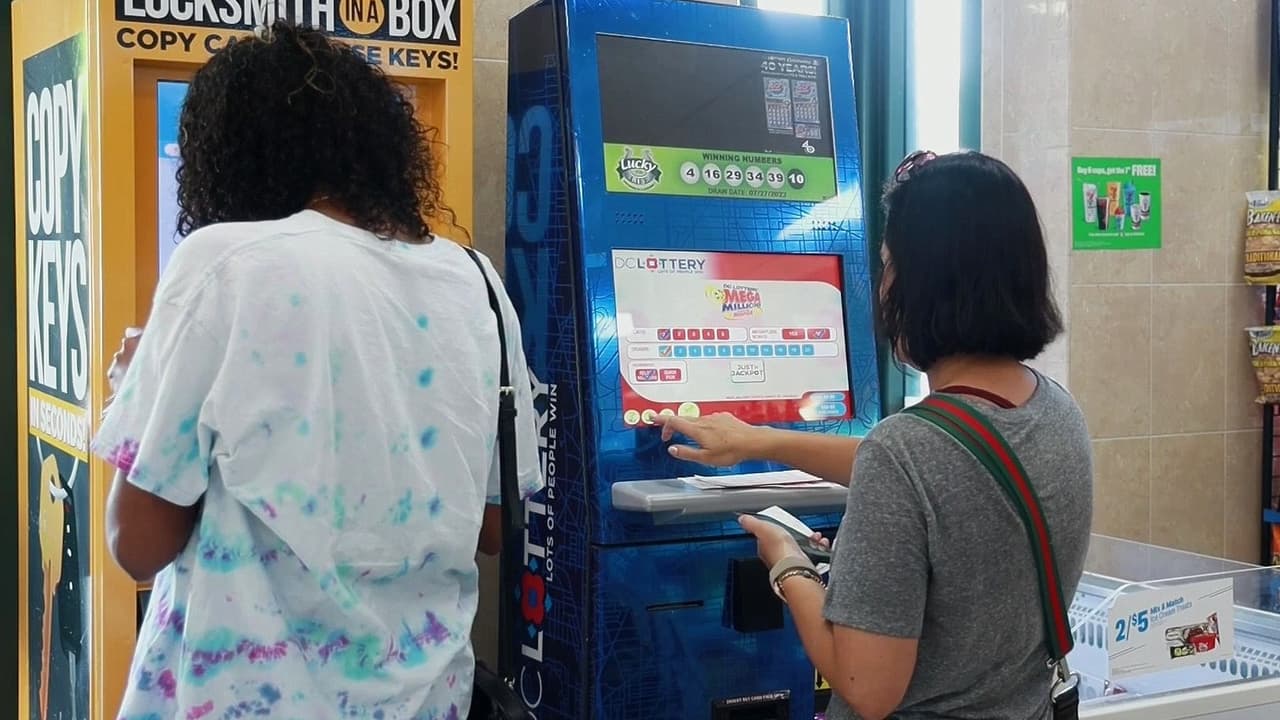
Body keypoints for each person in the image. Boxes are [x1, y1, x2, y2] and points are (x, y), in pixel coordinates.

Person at [92, 21, 542, 719]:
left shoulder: (226, 265)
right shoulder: (477, 282)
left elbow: (137, 545)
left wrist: (137, 388)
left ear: (232, 155)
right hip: (429, 699)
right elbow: (489, 530)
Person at [655, 151, 1093, 720]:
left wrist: (789, 565)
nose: (882, 287)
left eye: (888, 266)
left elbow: (867, 687)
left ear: (925, 285)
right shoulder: (1056, 410)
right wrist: (761, 441)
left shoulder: (907, 451)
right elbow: (938, 468)